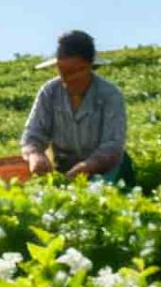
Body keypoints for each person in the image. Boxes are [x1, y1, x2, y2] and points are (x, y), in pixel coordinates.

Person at [20, 30, 132, 185]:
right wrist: (35, 155)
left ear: (89, 66)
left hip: (105, 168)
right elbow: (33, 134)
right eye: (63, 71)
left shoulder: (109, 95)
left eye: (76, 71)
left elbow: (112, 146)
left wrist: (87, 166)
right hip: (64, 167)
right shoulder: (50, 92)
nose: (68, 78)